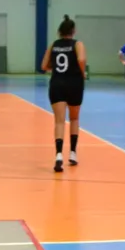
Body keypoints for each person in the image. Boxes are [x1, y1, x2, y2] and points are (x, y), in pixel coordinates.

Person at [41, 15, 87, 173]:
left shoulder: (53, 45)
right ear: (73, 31)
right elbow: (81, 60)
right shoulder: (78, 44)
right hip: (74, 83)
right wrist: (82, 73)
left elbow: (43, 65)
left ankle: (58, 155)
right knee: (74, 118)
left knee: (59, 121)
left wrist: (55, 68)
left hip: (57, 83)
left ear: (60, 31)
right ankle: (73, 153)